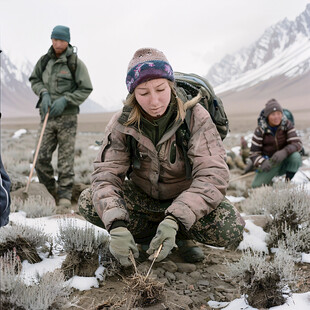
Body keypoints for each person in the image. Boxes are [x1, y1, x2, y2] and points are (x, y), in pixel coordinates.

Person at [78, 48, 245, 267]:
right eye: (144, 93)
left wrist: (175, 219)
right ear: (133, 95)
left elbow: (212, 176)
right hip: (143, 198)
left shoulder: (196, 117)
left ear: (171, 86)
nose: (154, 101)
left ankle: (182, 235)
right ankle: (148, 238)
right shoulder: (122, 122)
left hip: (185, 197)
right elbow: (106, 175)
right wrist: (117, 226)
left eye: (160, 89)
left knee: (229, 227)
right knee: (89, 201)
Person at [29, 25, 93, 207]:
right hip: (47, 116)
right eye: (54, 39)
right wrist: (43, 93)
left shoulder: (75, 63)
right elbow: (34, 80)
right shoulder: (44, 61)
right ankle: (50, 191)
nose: (57, 43)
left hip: (68, 119)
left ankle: (64, 196)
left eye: (61, 40)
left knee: (65, 159)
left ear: (67, 41)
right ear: (51, 39)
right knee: (40, 157)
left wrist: (66, 99)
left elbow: (86, 88)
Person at [249, 99, 302, 188]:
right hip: (270, 163)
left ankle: (287, 182)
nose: (276, 117)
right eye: (273, 114)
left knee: (296, 156)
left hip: (285, 159)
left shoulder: (287, 124)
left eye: (279, 113)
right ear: (267, 116)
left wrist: (284, 152)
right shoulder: (260, 130)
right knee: (256, 186)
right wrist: (262, 162)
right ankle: (270, 181)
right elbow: (253, 154)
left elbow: (297, 143)